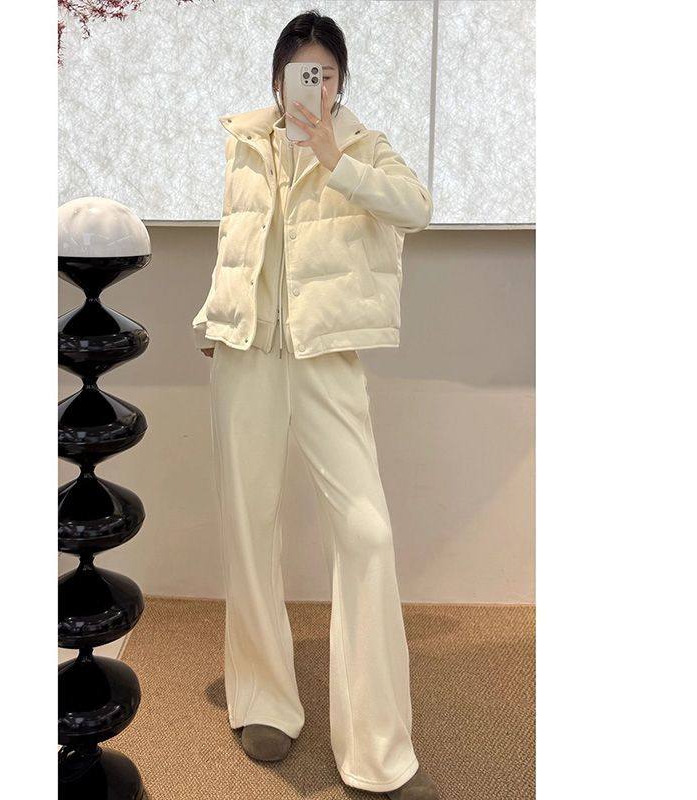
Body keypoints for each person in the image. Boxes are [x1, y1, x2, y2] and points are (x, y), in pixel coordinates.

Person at [191, 11, 438, 800]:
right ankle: (264, 699)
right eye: (301, 72)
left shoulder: (362, 145)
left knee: (366, 534)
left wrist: (335, 157)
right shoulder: (245, 141)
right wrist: (216, 317)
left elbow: (416, 208)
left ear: (339, 83)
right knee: (249, 523)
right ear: (277, 79)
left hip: (325, 357)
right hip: (247, 355)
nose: (313, 84)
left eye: (326, 73)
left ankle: (378, 748)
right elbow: (236, 239)